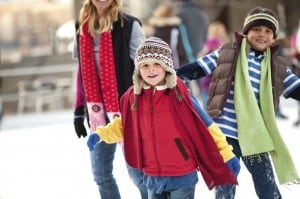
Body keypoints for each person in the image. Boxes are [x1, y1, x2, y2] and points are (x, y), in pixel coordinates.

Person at [87, 37, 240, 199]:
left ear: (166, 67)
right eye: (145, 65)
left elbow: (206, 126)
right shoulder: (134, 97)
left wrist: (227, 153)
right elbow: (125, 125)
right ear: (138, 69)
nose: (151, 70)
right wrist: (101, 134)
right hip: (152, 175)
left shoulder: (179, 95)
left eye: (157, 64)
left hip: (182, 174)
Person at [176, 7, 300, 199]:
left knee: (266, 185)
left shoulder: (277, 66)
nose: (262, 35)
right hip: (225, 133)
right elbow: (199, 67)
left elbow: (295, 88)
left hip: (255, 135)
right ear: (246, 32)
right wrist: (172, 76)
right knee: (225, 184)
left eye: (268, 31)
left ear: (274, 38)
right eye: (256, 29)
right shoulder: (228, 52)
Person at [72, 0, 147, 198]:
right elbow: (81, 71)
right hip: (97, 112)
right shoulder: (81, 26)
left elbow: (145, 69)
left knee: (138, 174)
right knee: (101, 174)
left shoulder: (129, 25)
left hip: (127, 110)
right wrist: (78, 111)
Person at [148, 2, 191, 69]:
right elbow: (182, 48)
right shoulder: (176, 28)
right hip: (174, 64)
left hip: (158, 64)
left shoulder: (154, 29)